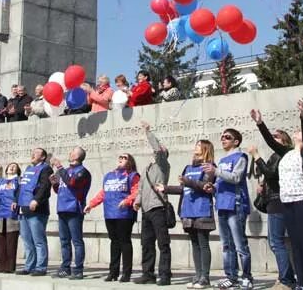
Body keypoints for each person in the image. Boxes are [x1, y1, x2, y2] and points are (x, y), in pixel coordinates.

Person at [252, 99, 303, 290]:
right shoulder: (286, 152)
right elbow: (270, 141)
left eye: (299, 133)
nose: (296, 133)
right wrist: (260, 122)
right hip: (287, 201)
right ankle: (300, 283)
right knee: (296, 244)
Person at [203, 128, 253, 290]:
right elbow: (221, 181)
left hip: (236, 204)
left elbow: (236, 178)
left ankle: (247, 277)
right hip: (222, 204)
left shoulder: (241, 156)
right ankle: (231, 277)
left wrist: (216, 171)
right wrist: (213, 187)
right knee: (226, 245)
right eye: (222, 137)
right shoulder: (223, 159)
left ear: (236, 141)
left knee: (240, 245)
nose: (223, 139)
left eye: (227, 137)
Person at [162, 141, 216, 289]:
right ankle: (197, 275)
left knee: (203, 244)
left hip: (202, 209)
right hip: (188, 209)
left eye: (199, 145)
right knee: (194, 244)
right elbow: (182, 189)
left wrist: (187, 181)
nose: (195, 147)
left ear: (205, 149)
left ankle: (205, 277)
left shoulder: (209, 167)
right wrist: (165, 188)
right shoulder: (188, 167)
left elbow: (205, 186)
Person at [249, 131, 295, 290]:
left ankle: (286, 281)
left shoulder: (282, 155)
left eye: (276, 137)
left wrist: (256, 156)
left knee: (276, 242)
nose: (273, 138)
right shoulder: (276, 156)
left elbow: (270, 173)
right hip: (273, 200)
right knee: (274, 241)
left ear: (284, 141)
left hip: (278, 201)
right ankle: (287, 277)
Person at [85, 153, 139, 282]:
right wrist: (91, 204)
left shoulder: (133, 175)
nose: (121, 159)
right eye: (119, 157)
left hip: (124, 214)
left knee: (124, 242)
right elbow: (103, 193)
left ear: (130, 161)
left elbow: (137, 191)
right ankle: (113, 272)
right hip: (110, 213)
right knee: (114, 242)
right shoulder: (109, 175)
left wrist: (127, 201)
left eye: (124, 157)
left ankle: (126, 273)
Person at [133, 120, 171, 286]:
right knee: (146, 243)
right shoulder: (147, 168)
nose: (156, 151)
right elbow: (141, 188)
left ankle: (165, 274)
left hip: (158, 208)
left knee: (163, 243)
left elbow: (157, 149)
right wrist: (137, 202)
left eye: (160, 150)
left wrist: (148, 132)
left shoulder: (163, 166)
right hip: (146, 210)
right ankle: (147, 273)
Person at [50, 147, 92, 279]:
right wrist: (54, 184)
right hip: (62, 208)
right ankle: (65, 267)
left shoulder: (83, 172)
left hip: (74, 209)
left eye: (72, 152)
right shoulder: (66, 171)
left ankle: (78, 269)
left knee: (77, 241)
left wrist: (59, 167)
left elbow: (72, 183)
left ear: (77, 156)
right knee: (64, 241)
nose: (69, 153)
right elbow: (61, 189)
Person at [16, 148, 53, 276]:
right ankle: (29, 266)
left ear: (43, 157)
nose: (32, 153)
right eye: (32, 151)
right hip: (23, 209)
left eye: (36, 152)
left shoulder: (46, 169)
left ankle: (41, 267)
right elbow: (23, 188)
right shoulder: (28, 170)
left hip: (37, 210)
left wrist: (36, 200)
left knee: (38, 240)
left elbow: (45, 187)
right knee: (27, 240)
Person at [0, 163, 21, 273]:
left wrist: (16, 201)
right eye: (10, 165)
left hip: (12, 213)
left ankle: (9, 266)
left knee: (11, 241)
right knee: (1, 241)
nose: (12, 167)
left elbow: (20, 192)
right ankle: (1, 265)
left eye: (15, 166)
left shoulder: (18, 180)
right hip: (0, 213)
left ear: (18, 170)